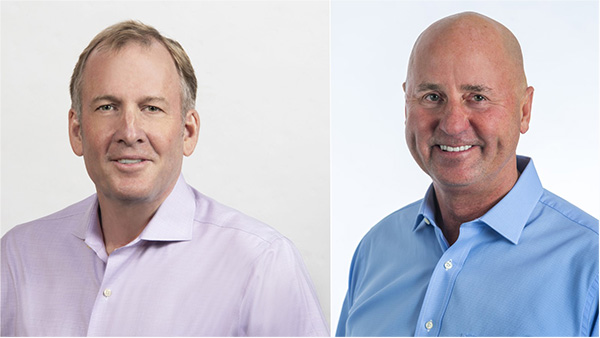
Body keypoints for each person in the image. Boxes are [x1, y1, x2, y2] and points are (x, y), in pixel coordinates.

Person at [1, 20, 328, 337]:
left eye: (152, 108)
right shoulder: (17, 258)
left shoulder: (262, 264)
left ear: (188, 132)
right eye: (107, 107)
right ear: (77, 131)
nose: (129, 132)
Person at [336, 11, 598, 337]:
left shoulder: (591, 266)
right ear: (406, 106)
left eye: (478, 97)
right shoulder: (376, 249)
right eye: (432, 97)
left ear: (524, 110)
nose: (453, 124)